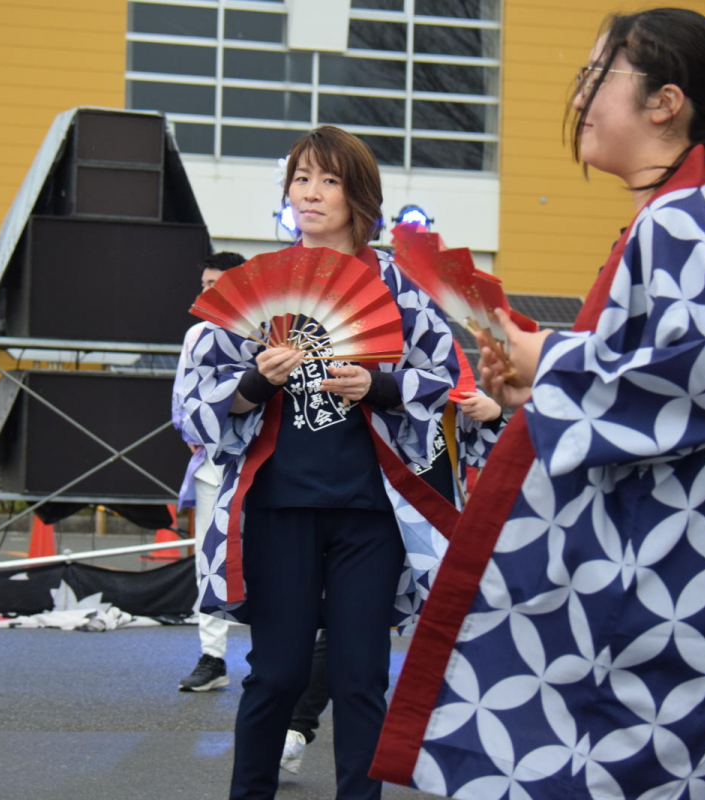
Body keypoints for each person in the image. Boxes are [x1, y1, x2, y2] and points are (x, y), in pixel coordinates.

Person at [369, 9, 705, 798]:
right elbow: (677, 383)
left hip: (677, 596)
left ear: (664, 102)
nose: (581, 98)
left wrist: (552, 357)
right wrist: (540, 382)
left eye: (595, 77)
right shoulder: (696, 216)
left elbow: (697, 380)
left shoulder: (686, 219)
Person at [179, 125, 459, 800]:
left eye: (329, 180)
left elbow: (448, 374)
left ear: (359, 195)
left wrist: (381, 386)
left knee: (362, 677)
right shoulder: (253, 290)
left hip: (369, 513)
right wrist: (254, 383)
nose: (311, 193)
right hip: (278, 508)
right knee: (274, 673)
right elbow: (194, 406)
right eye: (302, 178)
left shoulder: (398, 287)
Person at [278, 353, 504, 775]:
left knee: (456, 627)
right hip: (376, 507)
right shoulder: (336, 343)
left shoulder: (435, 345)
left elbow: (473, 418)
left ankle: (469, 745)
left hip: (441, 512)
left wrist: (492, 412)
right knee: (353, 627)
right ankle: (295, 726)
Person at [173, 250, 247, 692]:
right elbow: (182, 404)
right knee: (209, 562)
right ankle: (212, 657)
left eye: (215, 284)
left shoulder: (271, 330)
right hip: (211, 467)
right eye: (203, 284)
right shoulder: (196, 334)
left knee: (273, 561)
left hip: (263, 465)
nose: (206, 292)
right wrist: (196, 425)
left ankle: (279, 658)